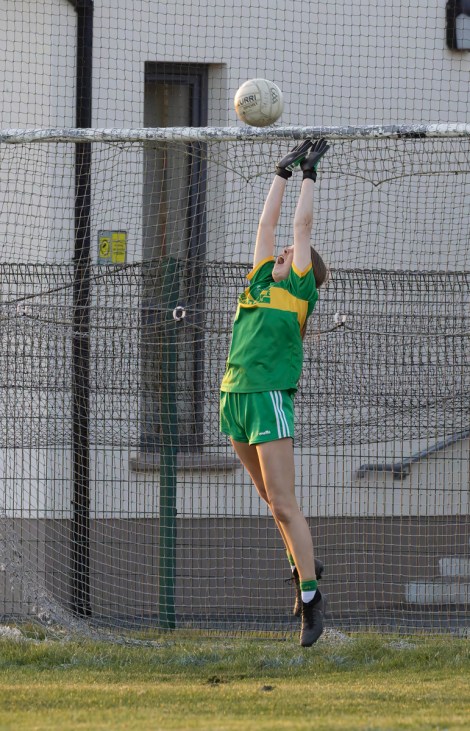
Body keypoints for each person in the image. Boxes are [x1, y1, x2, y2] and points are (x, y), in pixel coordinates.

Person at [219, 139, 331, 647]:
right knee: (269, 500)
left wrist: (308, 175)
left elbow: (299, 227)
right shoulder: (261, 279)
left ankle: (311, 598)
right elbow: (267, 227)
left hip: (268, 397)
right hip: (234, 395)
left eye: (291, 254)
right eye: (282, 253)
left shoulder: (298, 290)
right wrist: (279, 174)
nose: (283, 251)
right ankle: (302, 565)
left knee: (284, 503)